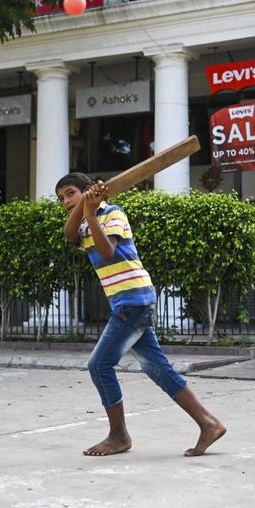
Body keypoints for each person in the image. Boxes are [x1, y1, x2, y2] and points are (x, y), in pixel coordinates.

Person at [55, 172, 226, 457]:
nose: (65, 201)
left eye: (70, 193)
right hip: (128, 301)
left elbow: (108, 251)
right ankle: (209, 423)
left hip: (133, 300)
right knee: (157, 368)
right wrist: (85, 207)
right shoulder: (84, 222)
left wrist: (92, 211)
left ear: (86, 191)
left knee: (99, 365)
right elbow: (69, 234)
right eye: (61, 198)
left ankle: (119, 435)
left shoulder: (113, 213)